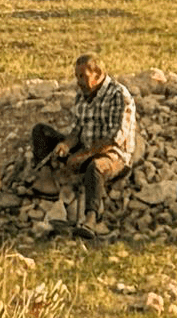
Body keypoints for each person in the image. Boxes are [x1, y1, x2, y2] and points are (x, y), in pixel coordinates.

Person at [31, 48, 141, 233]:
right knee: (41, 131)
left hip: (113, 155)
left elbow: (114, 139)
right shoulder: (82, 95)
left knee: (95, 168)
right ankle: (47, 182)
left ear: (97, 74)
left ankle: (91, 219)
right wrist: (67, 145)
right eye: (77, 76)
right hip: (86, 148)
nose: (79, 81)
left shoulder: (118, 95)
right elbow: (77, 130)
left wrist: (82, 156)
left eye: (83, 76)